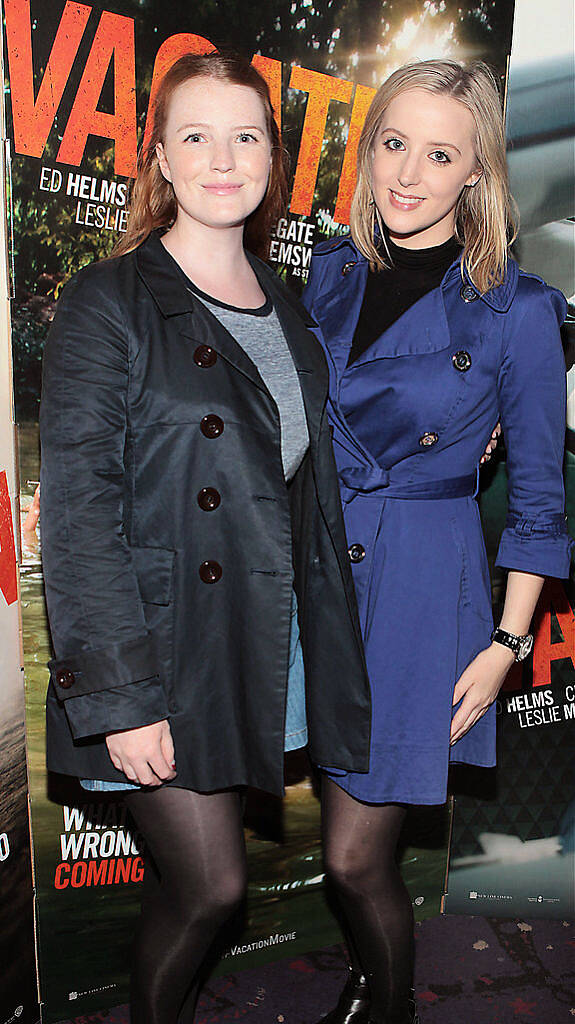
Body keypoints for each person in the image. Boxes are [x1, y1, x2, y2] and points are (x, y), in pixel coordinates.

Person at [39, 52, 372, 1024]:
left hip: (255, 641)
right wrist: (123, 697)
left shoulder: (291, 313)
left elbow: (303, 484)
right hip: (159, 646)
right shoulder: (111, 301)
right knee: (213, 889)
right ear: (161, 160)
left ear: (273, 157)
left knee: (194, 887)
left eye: (245, 135)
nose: (222, 158)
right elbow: (79, 512)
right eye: (196, 135)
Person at [303, 60, 571, 1024]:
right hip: (317, 567)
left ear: (477, 174)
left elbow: (539, 499)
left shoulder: (520, 311)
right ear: (369, 146)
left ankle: (389, 1004)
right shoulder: (327, 271)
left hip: (423, 582)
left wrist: (505, 646)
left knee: (352, 854)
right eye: (392, 142)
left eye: (440, 153)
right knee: (335, 824)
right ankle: (372, 976)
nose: (409, 173)